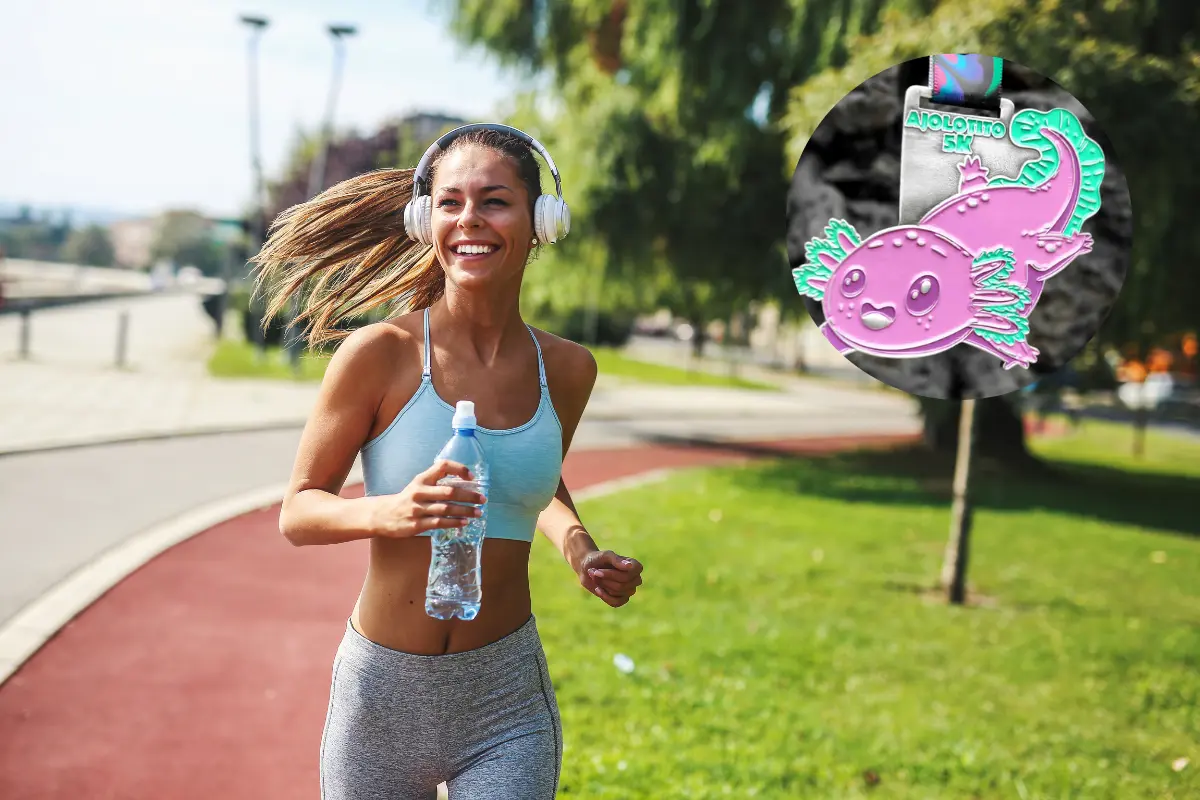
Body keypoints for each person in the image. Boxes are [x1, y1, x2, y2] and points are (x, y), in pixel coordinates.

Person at [252, 123, 645, 799]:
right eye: (450, 202)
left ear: (541, 220)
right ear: (424, 219)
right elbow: (299, 511)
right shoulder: (380, 354)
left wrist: (580, 549)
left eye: (494, 200)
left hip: (505, 700)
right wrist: (394, 512)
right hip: (381, 696)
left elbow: (537, 479)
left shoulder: (569, 370)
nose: (471, 220)